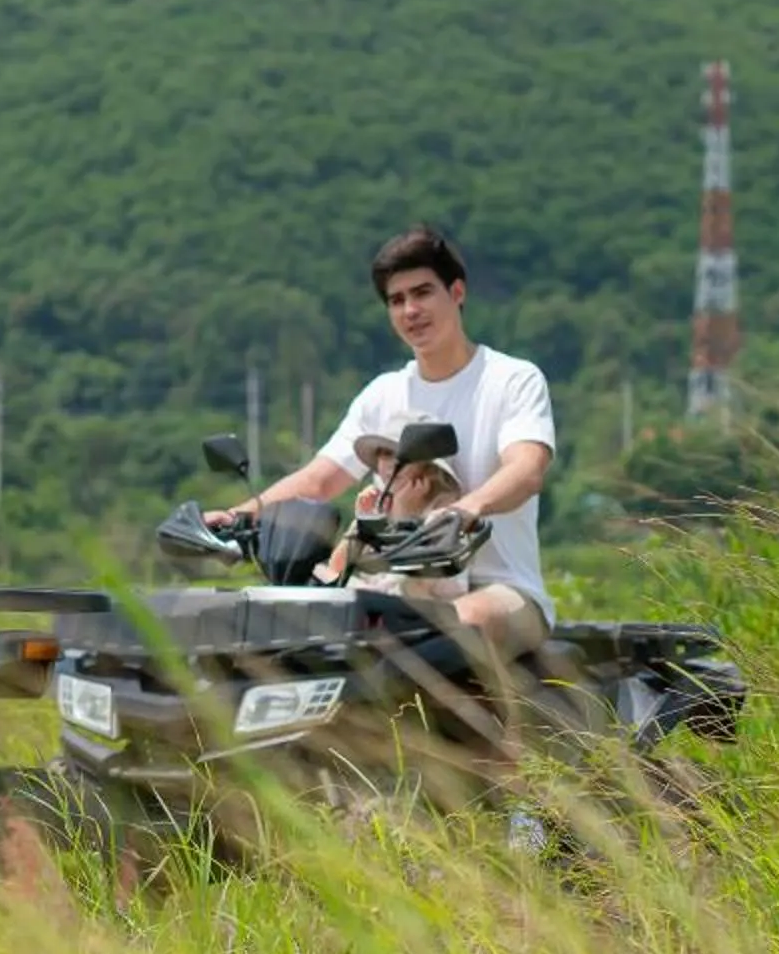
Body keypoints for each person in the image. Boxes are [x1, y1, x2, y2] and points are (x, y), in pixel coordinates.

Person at [216, 224, 555, 656]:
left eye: (423, 292)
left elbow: (526, 470)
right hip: (395, 589)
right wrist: (237, 516)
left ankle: (511, 726)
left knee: (450, 628)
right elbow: (321, 480)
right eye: (397, 300)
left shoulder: (510, 379)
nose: (411, 309)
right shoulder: (384, 394)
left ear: (457, 292)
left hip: (504, 589)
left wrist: (468, 507)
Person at [314, 427, 465, 599]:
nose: (391, 463)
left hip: (427, 605)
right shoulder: (379, 505)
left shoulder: (444, 513)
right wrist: (362, 524)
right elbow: (337, 568)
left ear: (428, 467)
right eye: (385, 454)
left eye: (400, 456)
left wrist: (405, 513)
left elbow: (418, 576)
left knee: (405, 585)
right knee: (317, 573)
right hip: (377, 600)